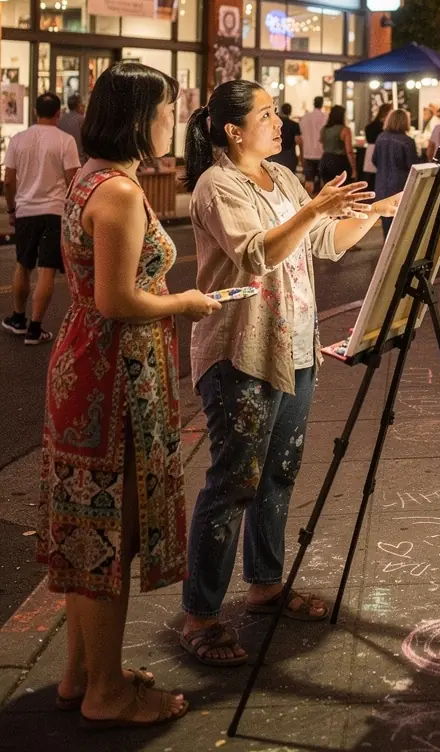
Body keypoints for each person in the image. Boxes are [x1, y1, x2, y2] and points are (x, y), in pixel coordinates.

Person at [179, 82, 399, 665]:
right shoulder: (217, 185)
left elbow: (324, 243)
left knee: (278, 472)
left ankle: (265, 586)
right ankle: (200, 615)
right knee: (232, 481)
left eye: (277, 112)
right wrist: (313, 209)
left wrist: (376, 212)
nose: (280, 122)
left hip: (297, 345)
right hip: (242, 352)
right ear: (232, 130)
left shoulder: (282, 178)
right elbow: (258, 253)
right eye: (267, 114)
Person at [37, 62, 220, 729]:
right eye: (168, 108)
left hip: (89, 367)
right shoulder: (116, 192)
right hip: (111, 379)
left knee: (91, 533)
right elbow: (118, 298)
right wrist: (186, 300)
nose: (173, 119)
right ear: (139, 116)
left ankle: (84, 674)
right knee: (110, 535)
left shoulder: (91, 178)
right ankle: (105, 694)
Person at [3, 92, 81, 345]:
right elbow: (73, 179)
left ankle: (17, 318)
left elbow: (8, 180)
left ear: (35, 111)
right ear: (58, 113)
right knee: (46, 269)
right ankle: (35, 329)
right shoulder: (65, 141)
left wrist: (12, 210)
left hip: (25, 211)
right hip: (54, 212)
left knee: (23, 265)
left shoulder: (18, 139)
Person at [372, 108, 419, 237]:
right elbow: (413, 166)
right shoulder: (407, 141)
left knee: (386, 221)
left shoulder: (380, 137)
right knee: (401, 223)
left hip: (381, 184)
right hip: (400, 185)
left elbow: (374, 160)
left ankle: (386, 248)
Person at [319, 104, 356, 183]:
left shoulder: (324, 129)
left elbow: (321, 140)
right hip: (339, 161)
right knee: (341, 187)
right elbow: (349, 150)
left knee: (328, 186)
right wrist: (354, 169)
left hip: (325, 159)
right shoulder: (345, 130)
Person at [299, 96, 327, 195]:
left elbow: (301, 132)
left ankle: (308, 201)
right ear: (322, 104)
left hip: (307, 152)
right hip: (321, 153)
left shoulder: (305, 117)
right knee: (321, 182)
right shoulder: (325, 117)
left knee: (309, 181)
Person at [363, 103, 392, 191]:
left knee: (371, 177)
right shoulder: (384, 128)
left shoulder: (370, 126)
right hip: (380, 151)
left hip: (370, 150)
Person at [270, 103, 301, 175]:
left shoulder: (274, 124)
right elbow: (298, 141)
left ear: (281, 110)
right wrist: (301, 158)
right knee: (289, 179)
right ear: (290, 111)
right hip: (289, 156)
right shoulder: (294, 124)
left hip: (274, 154)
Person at [58, 94, 87, 163]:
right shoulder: (82, 120)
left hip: (62, 159)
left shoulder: (61, 119)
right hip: (79, 160)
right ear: (79, 106)